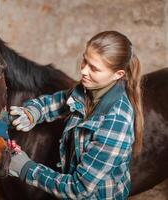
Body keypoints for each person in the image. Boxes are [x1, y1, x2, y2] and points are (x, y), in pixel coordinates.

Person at [8, 31, 144, 199]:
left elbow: (78, 188)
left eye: (94, 68)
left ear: (118, 74)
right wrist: (33, 112)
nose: (84, 71)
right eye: (85, 60)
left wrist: (26, 169)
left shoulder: (116, 122)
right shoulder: (89, 88)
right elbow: (59, 101)